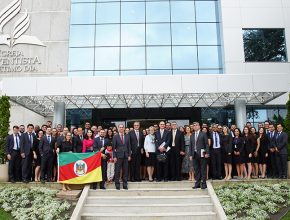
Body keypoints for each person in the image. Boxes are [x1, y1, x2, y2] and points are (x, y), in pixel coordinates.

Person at [189, 122, 209, 189]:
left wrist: (206, 153)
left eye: (196, 125)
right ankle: (197, 184)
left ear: (199, 126)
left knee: (203, 169)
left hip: (202, 154)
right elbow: (191, 146)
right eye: (193, 125)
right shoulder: (192, 135)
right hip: (194, 155)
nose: (194, 126)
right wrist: (190, 155)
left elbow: (206, 144)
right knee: (196, 170)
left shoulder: (203, 134)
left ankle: (203, 184)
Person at [113, 124, 131, 190]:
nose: (121, 128)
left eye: (122, 127)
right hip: (118, 156)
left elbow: (129, 146)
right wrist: (114, 156)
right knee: (117, 170)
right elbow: (114, 148)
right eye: (120, 127)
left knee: (125, 170)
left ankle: (125, 184)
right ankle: (117, 184)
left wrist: (129, 155)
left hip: (126, 156)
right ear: (118, 128)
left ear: (124, 128)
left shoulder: (127, 136)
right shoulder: (115, 137)